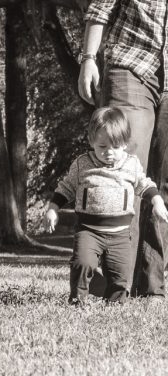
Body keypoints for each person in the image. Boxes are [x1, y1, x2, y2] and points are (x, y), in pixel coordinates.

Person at [78, 0, 168, 298]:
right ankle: (118, 285)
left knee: (163, 184)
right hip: (131, 65)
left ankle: (153, 287)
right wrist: (89, 58)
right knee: (123, 172)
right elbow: (100, 8)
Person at [44, 107, 168, 304]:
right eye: (102, 146)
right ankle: (78, 300)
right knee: (82, 264)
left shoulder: (131, 164)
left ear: (126, 144)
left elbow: (145, 185)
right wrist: (53, 209)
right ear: (91, 141)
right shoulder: (82, 164)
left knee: (120, 274)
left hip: (120, 234)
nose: (109, 153)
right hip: (88, 231)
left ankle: (116, 304)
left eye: (116, 147)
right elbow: (66, 187)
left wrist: (156, 200)